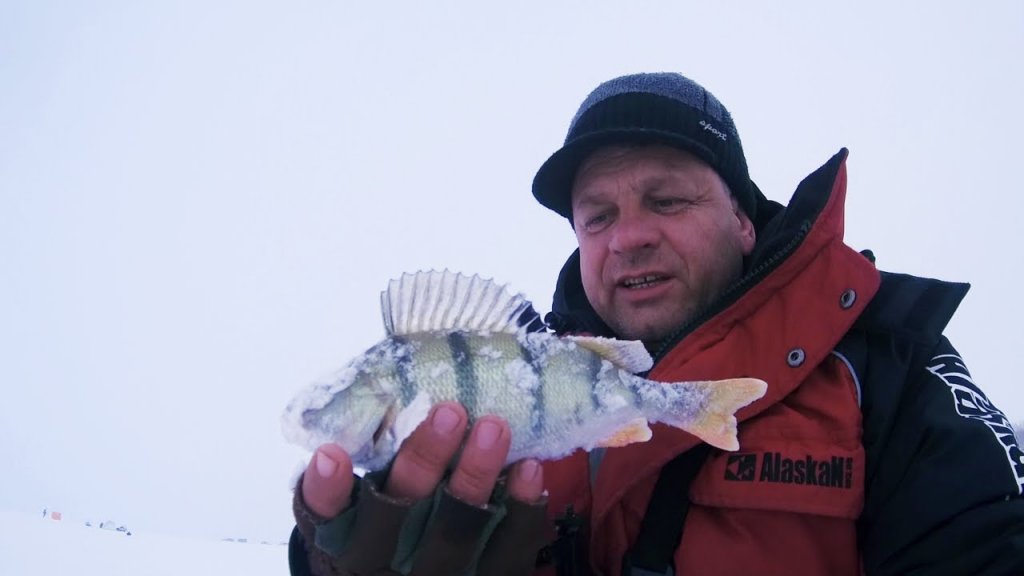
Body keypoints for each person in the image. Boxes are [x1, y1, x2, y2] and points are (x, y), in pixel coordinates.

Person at [288, 72, 1024, 575]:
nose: (628, 236)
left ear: (742, 218)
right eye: (597, 216)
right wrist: (337, 553)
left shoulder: (893, 370)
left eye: (666, 200)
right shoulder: (540, 369)